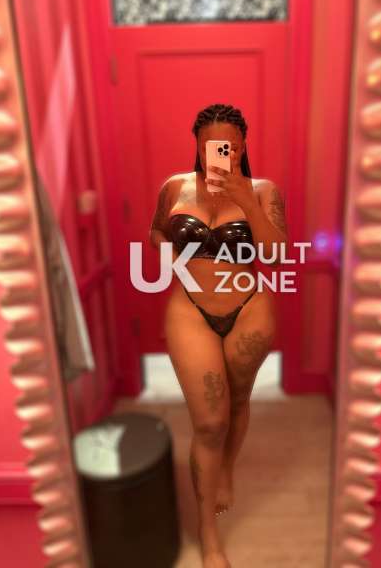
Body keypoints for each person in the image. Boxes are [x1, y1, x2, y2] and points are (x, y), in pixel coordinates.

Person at [149, 103, 287, 568]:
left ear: (243, 146)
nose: (219, 152)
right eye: (210, 144)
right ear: (197, 144)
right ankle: (209, 533)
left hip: (248, 310)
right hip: (190, 309)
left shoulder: (264, 191)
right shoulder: (174, 187)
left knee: (239, 399)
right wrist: (171, 258)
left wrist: (245, 200)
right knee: (210, 422)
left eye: (229, 145)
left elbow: (277, 255)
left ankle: (226, 467)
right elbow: (156, 232)